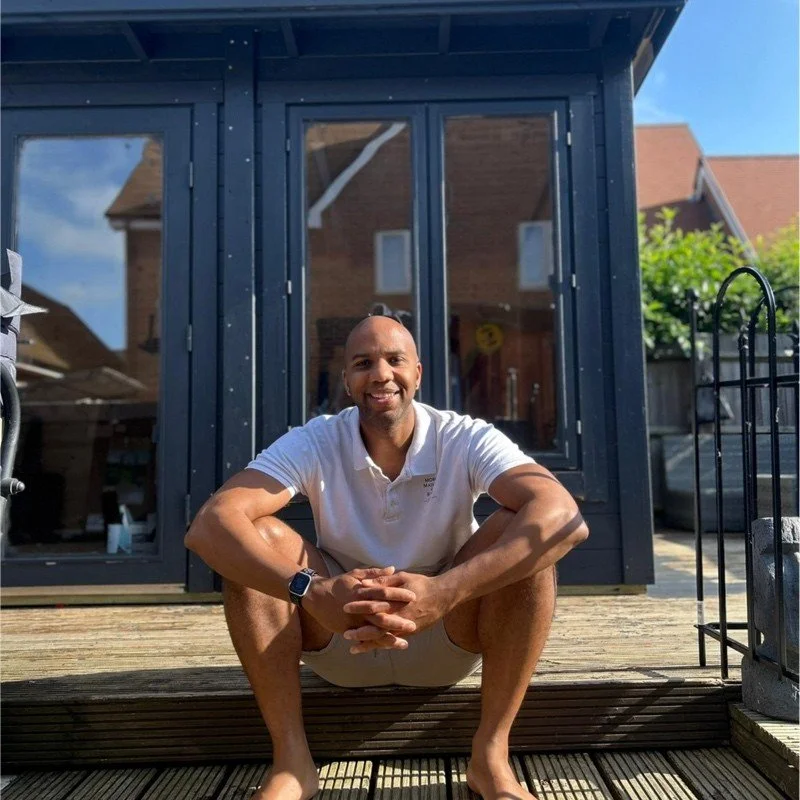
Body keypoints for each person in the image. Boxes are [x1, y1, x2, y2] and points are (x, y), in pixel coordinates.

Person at [185, 314, 589, 800]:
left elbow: (564, 516)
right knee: (255, 535)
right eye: (364, 363)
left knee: (525, 533)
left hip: (448, 636)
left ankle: (491, 758)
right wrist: (311, 591)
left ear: (417, 373)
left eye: (395, 360)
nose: (380, 374)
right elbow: (210, 525)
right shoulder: (316, 439)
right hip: (338, 634)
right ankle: (292, 764)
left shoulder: (462, 436)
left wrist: (445, 591)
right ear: (346, 382)